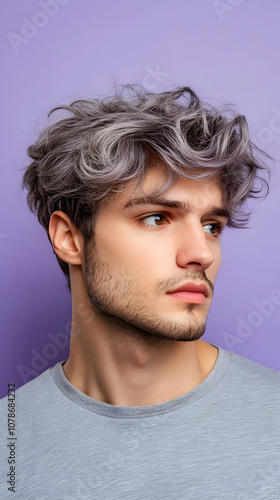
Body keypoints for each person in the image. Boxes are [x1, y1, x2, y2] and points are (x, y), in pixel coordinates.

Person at [1, 84, 279, 500]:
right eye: (156, 218)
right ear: (70, 238)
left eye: (211, 226)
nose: (201, 253)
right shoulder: (10, 445)